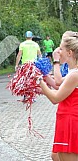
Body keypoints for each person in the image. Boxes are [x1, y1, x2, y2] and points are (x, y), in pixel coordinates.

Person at [37, 31, 78, 161]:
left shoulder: (74, 74)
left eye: (61, 49)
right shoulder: (73, 73)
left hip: (71, 120)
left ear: (70, 53)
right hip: (66, 118)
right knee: (57, 156)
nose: (58, 51)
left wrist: (38, 79)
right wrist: (41, 88)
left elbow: (56, 98)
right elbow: (58, 86)